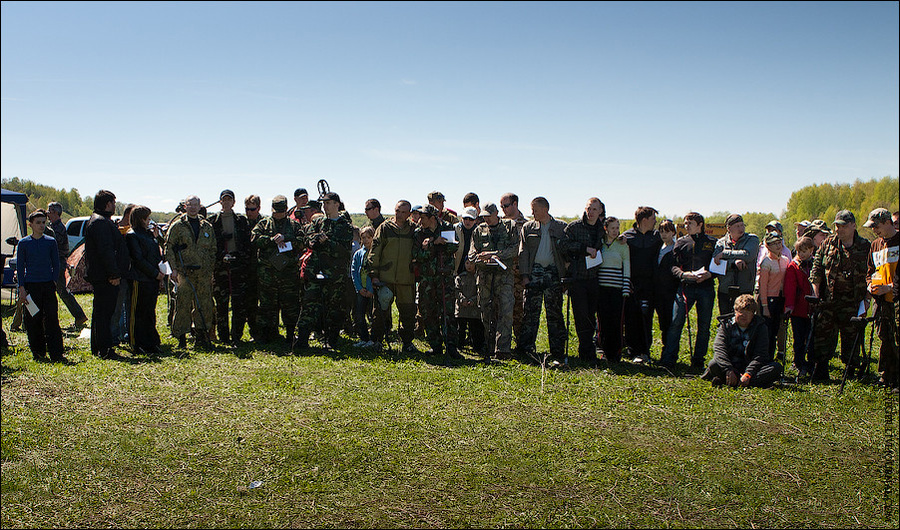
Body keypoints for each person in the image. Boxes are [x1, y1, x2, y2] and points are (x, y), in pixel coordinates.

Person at [809, 210, 871, 382]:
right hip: (829, 301)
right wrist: (815, 291)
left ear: (853, 226)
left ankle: (850, 370)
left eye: (843, 226)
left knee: (851, 338)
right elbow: (817, 269)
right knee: (823, 335)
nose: (839, 229)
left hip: (853, 302)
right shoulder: (827, 244)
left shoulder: (865, 246)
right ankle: (821, 369)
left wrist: (867, 300)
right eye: (836, 225)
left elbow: (872, 274)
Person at [295, 192, 353, 351]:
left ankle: (331, 340)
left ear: (336, 204)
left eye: (328, 203)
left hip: (335, 275)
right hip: (316, 271)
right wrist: (313, 241)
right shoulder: (319, 222)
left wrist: (328, 242)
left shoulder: (344, 226)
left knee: (333, 308)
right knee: (309, 304)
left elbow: (344, 251)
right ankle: (302, 340)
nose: (325, 206)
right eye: (324, 203)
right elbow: (306, 236)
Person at [660, 212, 717, 370]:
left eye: (690, 223)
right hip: (686, 287)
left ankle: (698, 359)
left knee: (704, 325)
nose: (686, 226)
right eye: (685, 223)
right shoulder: (681, 242)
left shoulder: (712, 242)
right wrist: (682, 274)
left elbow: (719, 265)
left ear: (700, 225)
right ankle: (669, 359)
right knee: (676, 322)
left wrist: (710, 274)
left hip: (705, 288)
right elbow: (673, 265)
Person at [518, 197, 569, 366]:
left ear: (545, 209)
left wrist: (565, 277)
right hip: (534, 273)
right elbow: (523, 252)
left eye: (535, 209)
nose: (532, 213)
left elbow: (567, 253)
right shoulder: (528, 227)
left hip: (553, 274)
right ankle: (526, 348)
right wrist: (525, 275)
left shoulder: (561, 228)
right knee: (530, 312)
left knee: (554, 314)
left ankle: (557, 350)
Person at [165, 195, 217, 350]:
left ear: (200, 206)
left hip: (202, 273)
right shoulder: (177, 226)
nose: (193, 207)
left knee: (204, 304)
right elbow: (169, 247)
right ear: (185, 206)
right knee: (183, 305)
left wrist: (209, 268)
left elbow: (213, 249)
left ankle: (201, 335)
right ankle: (181, 336)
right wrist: (173, 269)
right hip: (184, 272)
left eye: (196, 205)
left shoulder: (206, 226)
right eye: (190, 204)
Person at [251, 195, 305, 345]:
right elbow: (254, 239)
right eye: (276, 211)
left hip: (288, 274)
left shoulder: (294, 226)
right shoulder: (264, 224)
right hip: (268, 274)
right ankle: (267, 334)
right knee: (267, 305)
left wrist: (286, 238)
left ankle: (290, 334)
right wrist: (270, 240)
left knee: (290, 305)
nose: (278, 214)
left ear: (286, 210)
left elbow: (302, 241)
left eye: (281, 211)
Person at [469, 202, 520, 360]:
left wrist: (496, 254)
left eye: (489, 216)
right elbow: (471, 255)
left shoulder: (509, 226)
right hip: (484, 277)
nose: (487, 219)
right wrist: (481, 259)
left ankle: (503, 349)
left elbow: (515, 248)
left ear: (496, 213)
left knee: (505, 311)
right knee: (486, 311)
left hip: (504, 277)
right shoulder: (478, 230)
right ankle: (489, 346)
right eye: (484, 217)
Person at [367, 200, 419, 352]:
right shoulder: (384, 228)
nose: (400, 215)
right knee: (380, 313)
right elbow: (374, 252)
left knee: (408, 313)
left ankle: (407, 343)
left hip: (406, 279)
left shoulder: (414, 230)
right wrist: (374, 275)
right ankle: (377, 340)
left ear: (409, 214)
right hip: (385, 279)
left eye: (404, 212)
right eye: (398, 211)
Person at [701, 294, 784, 388]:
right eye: (740, 311)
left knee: (776, 368)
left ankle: (735, 381)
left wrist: (748, 374)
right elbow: (719, 350)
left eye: (748, 312)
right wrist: (729, 369)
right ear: (735, 311)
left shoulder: (761, 327)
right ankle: (740, 381)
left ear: (753, 313)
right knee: (713, 364)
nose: (743, 315)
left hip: (750, 367)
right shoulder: (725, 326)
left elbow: (761, 354)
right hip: (731, 365)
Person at [16, 209, 66, 362]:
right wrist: (22, 288)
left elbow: (56, 263)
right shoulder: (24, 243)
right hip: (31, 285)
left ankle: (56, 352)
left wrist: (53, 280)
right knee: (33, 319)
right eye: (38, 223)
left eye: (44, 222)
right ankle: (38, 352)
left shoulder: (50, 242)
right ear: (30, 224)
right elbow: (20, 266)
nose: (41, 226)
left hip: (47, 285)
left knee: (52, 318)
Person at [413, 205, 460, 359]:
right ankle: (435, 345)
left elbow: (454, 247)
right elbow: (417, 255)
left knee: (447, 312)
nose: (420, 221)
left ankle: (451, 346)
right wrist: (433, 244)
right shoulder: (419, 233)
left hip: (444, 277)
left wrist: (440, 243)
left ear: (432, 218)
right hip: (427, 278)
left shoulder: (447, 227)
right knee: (428, 311)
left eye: (423, 218)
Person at [84, 190, 127, 359]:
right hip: (105, 277)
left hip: (102, 275)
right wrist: (114, 274)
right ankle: (105, 348)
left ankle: (99, 347)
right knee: (105, 314)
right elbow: (106, 251)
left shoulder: (99, 221)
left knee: (101, 312)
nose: (115, 206)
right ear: (108, 204)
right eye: (114, 203)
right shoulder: (101, 223)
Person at [564, 197, 606, 367]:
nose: (591, 212)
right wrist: (584, 249)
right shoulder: (575, 227)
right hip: (578, 278)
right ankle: (585, 351)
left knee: (591, 315)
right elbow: (563, 244)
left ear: (600, 211)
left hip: (595, 278)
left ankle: (591, 350)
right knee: (581, 316)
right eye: (589, 208)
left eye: (595, 209)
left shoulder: (601, 229)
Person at [208, 189, 252, 344]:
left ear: (234, 202)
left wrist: (239, 258)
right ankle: (224, 336)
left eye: (229, 200)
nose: (226, 202)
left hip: (238, 267)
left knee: (239, 303)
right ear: (220, 202)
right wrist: (221, 255)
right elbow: (210, 245)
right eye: (224, 200)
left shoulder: (241, 220)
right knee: (221, 303)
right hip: (221, 268)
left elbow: (247, 243)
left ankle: (236, 335)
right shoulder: (212, 221)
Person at [864, 208, 898, 389]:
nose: (873, 230)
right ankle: (886, 375)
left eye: (876, 226)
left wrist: (890, 287)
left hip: (896, 300)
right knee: (883, 337)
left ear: (887, 222)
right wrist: (870, 285)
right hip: (881, 302)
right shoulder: (875, 244)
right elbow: (870, 271)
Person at [622, 206, 661, 363]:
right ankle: (633, 352)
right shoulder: (627, 238)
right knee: (631, 318)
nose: (655, 222)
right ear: (644, 220)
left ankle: (645, 351)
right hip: (632, 284)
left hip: (650, 285)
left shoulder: (657, 237)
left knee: (647, 317)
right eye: (653, 219)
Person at [125, 206, 164, 355]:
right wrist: (155, 273)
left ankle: (150, 341)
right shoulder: (132, 235)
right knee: (138, 313)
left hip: (152, 281)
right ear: (141, 219)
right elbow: (138, 259)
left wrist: (156, 237)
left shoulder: (149, 235)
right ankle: (136, 343)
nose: (149, 221)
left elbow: (156, 254)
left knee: (149, 311)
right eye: (147, 219)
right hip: (139, 279)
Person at [46, 201, 88, 327]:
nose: (48, 214)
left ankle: (79, 316)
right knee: (62, 291)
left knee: (63, 291)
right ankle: (79, 316)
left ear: (55, 213)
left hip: (58, 263)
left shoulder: (58, 228)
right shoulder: (54, 226)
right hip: (56, 262)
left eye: (50, 211)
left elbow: (54, 244)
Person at [597, 217, 630, 363]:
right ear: (606, 229)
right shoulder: (601, 244)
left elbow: (627, 267)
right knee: (603, 321)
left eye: (617, 228)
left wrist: (626, 288)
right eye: (612, 228)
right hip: (602, 289)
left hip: (617, 289)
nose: (615, 231)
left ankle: (616, 353)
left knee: (616, 322)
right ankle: (604, 351)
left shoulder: (623, 245)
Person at [714, 214, 760, 315]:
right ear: (729, 228)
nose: (741, 229)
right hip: (725, 290)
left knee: (745, 320)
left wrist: (724, 254)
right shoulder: (720, 243)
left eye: (742, 225)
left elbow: (748, 255)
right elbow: (716, 263)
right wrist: (734, 263)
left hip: (745, 289)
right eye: (737, 226)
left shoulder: (752, 239)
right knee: (725, 320)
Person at [784, 236, 816, 380]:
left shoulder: (816, 264)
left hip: (813, 308)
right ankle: (798, 362)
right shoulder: (793, 266)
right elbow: (790, 288)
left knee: (812, 338)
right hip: (798, 308)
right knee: (798, 338)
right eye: (799, 251)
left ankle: (811, 364)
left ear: (811, 250)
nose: (801, 254)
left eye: (804, 251)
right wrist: (789, 306)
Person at [500, 192, 528, 352]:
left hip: (518, 275)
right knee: (501, 310)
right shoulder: (500, 224)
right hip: (502, 274)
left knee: (519, 310)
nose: (503, 209)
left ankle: (521, 345)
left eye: (506, 205)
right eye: (501, 206)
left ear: (515, 204)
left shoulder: (526, 225)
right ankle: (502, 344)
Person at [454, 207, 484, 354]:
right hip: (458, 270)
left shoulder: (480, 232)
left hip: (475, 271)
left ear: (476, 220)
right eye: (465, 218)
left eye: (470, 219)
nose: (467, 221)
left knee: (475, 312)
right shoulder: (455, 230)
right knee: (459, 309)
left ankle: (475, 341)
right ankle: (457, 341)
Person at [757, 231, 791, 361]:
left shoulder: (785, 260)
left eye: (779, 243)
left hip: (780, 298)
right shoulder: (766, 262)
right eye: (774, 244)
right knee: (768, 332)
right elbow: (763, 286)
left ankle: (775, 357)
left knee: (777, 328)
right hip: (769, 299)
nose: (778, 246)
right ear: (767, 246)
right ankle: (767, 357)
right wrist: (764, 305)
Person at [653, 219, 679, 356]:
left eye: (667, 232)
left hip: (670, 291)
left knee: (670, 322)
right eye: (661, 231)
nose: (664, 235)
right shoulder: (658, 247)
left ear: (673, 232)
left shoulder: (675, 249)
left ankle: (669, 352)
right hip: (658, 291)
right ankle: (665, 348)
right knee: (663, 322)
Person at [244, 194, 265, 342]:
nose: (249, 212)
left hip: (263, 269)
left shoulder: (265, 223)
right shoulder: (242, 223)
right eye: (247, 209)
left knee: (265, 303)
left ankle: (267, 332)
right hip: (247, 269)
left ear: (258, 208)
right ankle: (254, 332)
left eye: (252, 209)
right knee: (250, 303)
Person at [351, 226, 376, 347]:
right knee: (359, 315)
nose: (366, 240)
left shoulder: (376, 253)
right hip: (361, 289)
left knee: (373, 315)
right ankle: (364, 337)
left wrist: (371, 290)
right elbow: (354, 271)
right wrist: (359, 288)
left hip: (372, 290)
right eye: (363, 238)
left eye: (368, 237)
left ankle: (375, 338)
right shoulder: (358, 254)